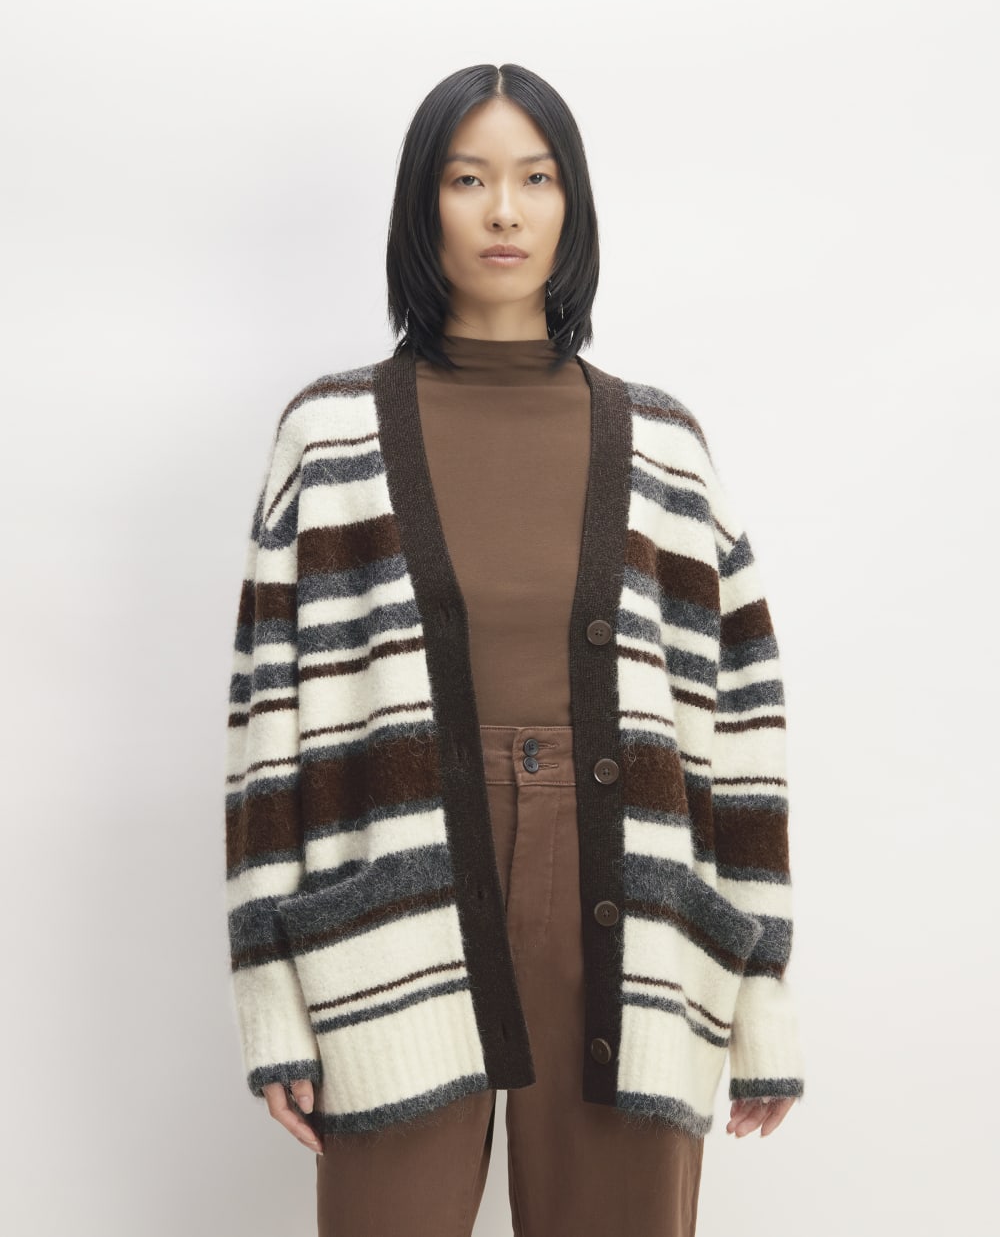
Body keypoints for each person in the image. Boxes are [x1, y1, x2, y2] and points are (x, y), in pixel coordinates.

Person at [224, 62, 804, 1237]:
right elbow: (265, 731)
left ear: (571, 205)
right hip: (390, 907)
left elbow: (740, 728)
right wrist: (270, 993)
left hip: (632, 911)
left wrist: (762, 994)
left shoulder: (665, 446)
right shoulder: (329, 436)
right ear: (422, 205)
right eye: (467, 179)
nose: (503, 210)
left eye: (536, 179)